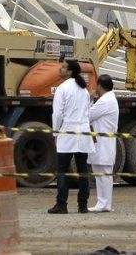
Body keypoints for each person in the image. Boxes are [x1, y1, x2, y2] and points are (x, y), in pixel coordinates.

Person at [49, 59, 94, 214]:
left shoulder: (62, 89)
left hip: (67, 132)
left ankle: (61, 205)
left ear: (70, 71)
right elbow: (89, 112)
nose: (60, 69)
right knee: (83, 170)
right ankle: (83, 205)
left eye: (63, 67)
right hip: (83, 132)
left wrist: (55, 133)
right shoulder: (84, 90)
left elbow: (57, 114)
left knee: (62, 170)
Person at [88, 74, 119, 212]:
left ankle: (104, 204)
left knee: (103, 174)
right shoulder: (108, 99)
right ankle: (103, 203)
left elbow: (88, 115)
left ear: (99, 85)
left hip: (103, 143)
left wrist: (89, 99)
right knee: (101, 174)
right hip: (102, 142)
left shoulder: (105, 101)